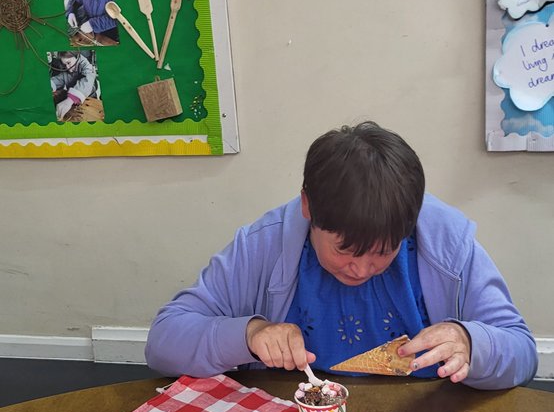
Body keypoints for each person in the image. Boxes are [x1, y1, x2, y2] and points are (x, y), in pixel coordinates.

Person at [145, 122, 538, 391]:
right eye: (345, 250)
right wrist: (250, 334)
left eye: (384, 252)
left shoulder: (447, 244)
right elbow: (163, 343)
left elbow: (522, 353)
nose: (362, 269)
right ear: (308, 208)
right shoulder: (264, 245)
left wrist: (472, 342)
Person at [50, 52, 102, 121]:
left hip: (89, 100)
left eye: (68, 63)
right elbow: (58, 79)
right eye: (64, 64)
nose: (67, 68)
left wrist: (70, 100)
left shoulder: (87, 66)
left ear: (77, 57)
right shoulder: (67, 68)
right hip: (72, 103)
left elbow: (87, 80)